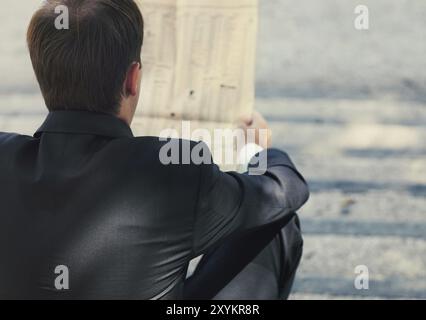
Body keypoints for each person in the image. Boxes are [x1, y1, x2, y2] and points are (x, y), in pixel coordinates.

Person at [0, 0, 309, 300]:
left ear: (41, 73)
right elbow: (283, 192)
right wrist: (253, 153)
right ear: (133, 78)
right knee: (272, 224)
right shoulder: (172, 172)